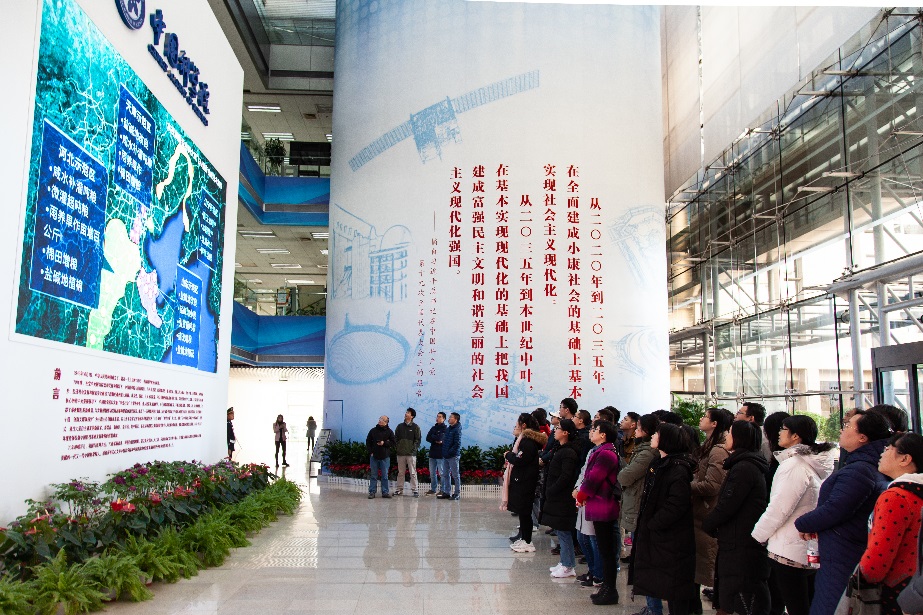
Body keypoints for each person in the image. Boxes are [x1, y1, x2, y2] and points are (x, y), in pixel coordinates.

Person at [794, 409, 892, 615]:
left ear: (862, 437)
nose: (842, 429)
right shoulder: (865, 464)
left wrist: (803, 523)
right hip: (844, 549)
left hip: (843, 553)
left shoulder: (859, 470)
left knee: (834, 605)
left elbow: (836, 509)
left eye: (848, 426)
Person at [751, 415, 836, 615]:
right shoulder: (811, 463)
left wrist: (758, 535)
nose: (779, 433)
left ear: (796, 436)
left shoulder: (793, 466)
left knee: (796, 604)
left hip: (788, 547)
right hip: (804, 544)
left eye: (783, 429)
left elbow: (779, 508)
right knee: (807, 603)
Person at [703, 420, 771, 615]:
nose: (726, 436)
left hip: (740, 540)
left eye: (730, 433)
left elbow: (728, 504)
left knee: (741, 592)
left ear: (740, 438)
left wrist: (709, 524)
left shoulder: (744, 468)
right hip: (738, 538)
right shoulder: (745, 464)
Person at [629, 422, 698, 615]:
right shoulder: (659, 463)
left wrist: (654, 523)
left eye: (657, 434)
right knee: (659, 580)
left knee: (674, 586)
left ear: (666, 440)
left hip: (670, 537)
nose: (652, 436)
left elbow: (676, 505)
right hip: (658, 535)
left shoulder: (678, 468)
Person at [859, 433, 923, 614]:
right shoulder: (917, 491)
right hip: (915, 590)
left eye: (888, 448)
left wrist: (861, 578)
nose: (882, 453)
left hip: (896, 593)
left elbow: (876, 562)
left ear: (905, 459)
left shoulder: (896, 497)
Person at [691, 407, 733, 611]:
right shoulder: (709, 445)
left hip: (706, 512)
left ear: (715, 424)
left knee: (708, 564)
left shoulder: (718, 449)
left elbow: (712, 485)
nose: (701, 419)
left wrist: (686, 485)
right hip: (700, 511)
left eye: (706, 417)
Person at [575, 420, 622, 605]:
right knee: (604, 549)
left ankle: (610, 590)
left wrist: (580, 495)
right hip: (598, 504)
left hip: (604, 506)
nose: (591, 431)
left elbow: (593, 479)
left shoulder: (606, 454)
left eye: (595, 429)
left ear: (603, 435)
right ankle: (606, 588)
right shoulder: (600, 451)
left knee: (606, 550)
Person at [542, 418, 582, 578]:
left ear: (565, 433)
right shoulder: (561, 449)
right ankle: (565, 561)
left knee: (564, 531)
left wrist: (552, 489)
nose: (555, 431)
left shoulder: (568, 452)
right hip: (557, 497)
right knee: (560, 530)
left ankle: (568, 565)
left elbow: (566, 476)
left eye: (558, 428)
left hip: (562, 498)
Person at [618, 413, 659, 565]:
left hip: (638, 500)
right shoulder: (641, 449)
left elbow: (625, 477)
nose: (636, 431)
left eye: (639, 428)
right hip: (634, 498)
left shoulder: (647, 453)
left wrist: (622, 471)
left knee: (639, 542)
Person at [504, 413, 547, 553]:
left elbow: (520, 460)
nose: (515, 426)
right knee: (523, 513)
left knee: (525, 512)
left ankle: (528, 541)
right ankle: (524, 539)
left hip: (525, 481)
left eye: (517, 424)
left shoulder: (528, 442)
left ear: (523, 425)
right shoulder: (525, 440)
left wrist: (508, 455)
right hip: (523, 480)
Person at [394, 407, 422, 497]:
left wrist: (413, 449)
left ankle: (415, 490)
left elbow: (418, 440)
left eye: (408, 413)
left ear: (412, 416)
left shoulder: (415, 427)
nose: (406, 414)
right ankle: (399, 489)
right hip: (400, 453)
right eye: (406, 412)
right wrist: (398, 447)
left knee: (413, 473)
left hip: (411, 454)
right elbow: (395, 438)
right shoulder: (399, 426)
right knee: (401, 473)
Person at [366, 415, 395, 499]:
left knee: (385, 475)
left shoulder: (389, 432)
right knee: (373, 475)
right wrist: (370, 452)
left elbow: (393, 443)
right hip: (374, 456)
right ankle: (372, 492)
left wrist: (384, 443)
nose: (380, 420)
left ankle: (385, 492)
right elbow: (368, 441)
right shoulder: (373, 431)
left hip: (385, 457)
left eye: (382, 419)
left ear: (386, 422)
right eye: (380, 419)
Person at [438, 412, 462, 500]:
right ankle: (447, 492)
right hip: (446, 456)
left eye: (451, 417)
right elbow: (445, 442)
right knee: (445, 474)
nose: (449, 419)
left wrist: (449, 452)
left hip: (453, 456)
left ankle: (457, 494)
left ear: (456, 419)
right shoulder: (448, 429)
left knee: (455, 475)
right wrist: (444, 452)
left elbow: (457, 444)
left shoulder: (457, 430)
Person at [425, 412, 447, 495]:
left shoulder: (445, 428)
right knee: (432, 473)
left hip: (440, 454)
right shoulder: (433, 428)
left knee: (442, 473)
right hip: (432, 453)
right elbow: (428, 438)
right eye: (437, 416)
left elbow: (440, 438)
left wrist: (434, 437)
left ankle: (443, 490)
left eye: (440, 417)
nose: (438, 418)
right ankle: (433, 489)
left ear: (444, 419)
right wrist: (436, 439)